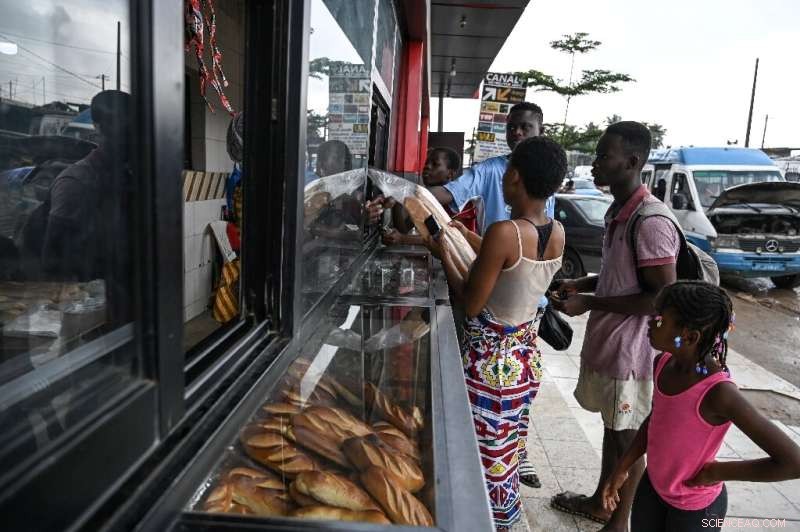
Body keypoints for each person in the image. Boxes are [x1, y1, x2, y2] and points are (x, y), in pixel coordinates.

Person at [425, 137, 566, 531]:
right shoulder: (556, 232)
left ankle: (478, 522)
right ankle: (503, 520)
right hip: (522, 360)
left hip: (488, 367)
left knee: (480, 459)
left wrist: (443, 253)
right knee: (504, 453)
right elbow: (508, 266)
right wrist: (462, 237)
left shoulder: (505, 231)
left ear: (515, 176)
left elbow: (472, 302)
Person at [549, 121, 680, 532]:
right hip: (614, 347)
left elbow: (662, 297)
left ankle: (619, 523)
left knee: (628, 439)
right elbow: (623, 277)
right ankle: (600, 502)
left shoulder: (652, 221)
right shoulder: (619, 213)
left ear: (633, 161)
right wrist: (584, 284)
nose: (595, 165)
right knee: (613, 428)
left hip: (635, 355)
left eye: (604, 156)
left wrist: (590, 301)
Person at [601, 281, 800, 531]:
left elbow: (793, 462)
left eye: (660, 318)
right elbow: (656, 420)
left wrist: (713, 473)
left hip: (698, 509)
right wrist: (622, 467)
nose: (650, 322)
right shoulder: (663, 363)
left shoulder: (719, 393)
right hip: (654, 488)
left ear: (689, 336)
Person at [427, 101, 554, 234]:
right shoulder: (489, 170)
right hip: (496, 252)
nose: (517, 132)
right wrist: (410, 193)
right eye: (511, 127)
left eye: (524, 127)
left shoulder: (549, 170)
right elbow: (449, 192)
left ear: (541, 131)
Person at [382, 146, 477, 246]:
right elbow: (404, 229)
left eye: (435, 164)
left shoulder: (460, 203)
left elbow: (449, 239)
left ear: (450, 174)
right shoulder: (424, 199)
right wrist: (399, 201)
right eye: (426, 163)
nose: (427, 167)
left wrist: (403, 239)